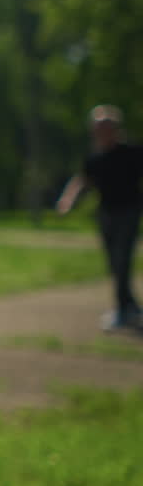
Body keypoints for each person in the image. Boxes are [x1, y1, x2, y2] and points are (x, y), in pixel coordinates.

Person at [56, 105, 143, 331]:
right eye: (97, 129)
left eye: (104, 128)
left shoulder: (132, 153)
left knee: (122, 259)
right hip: (106, 214)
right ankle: (129, 305)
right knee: (114, 262)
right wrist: (67, 199)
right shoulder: (95, 157)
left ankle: (123, 310)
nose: (100, 133)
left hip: (129, 212)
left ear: (115, 129)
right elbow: (82, 180)